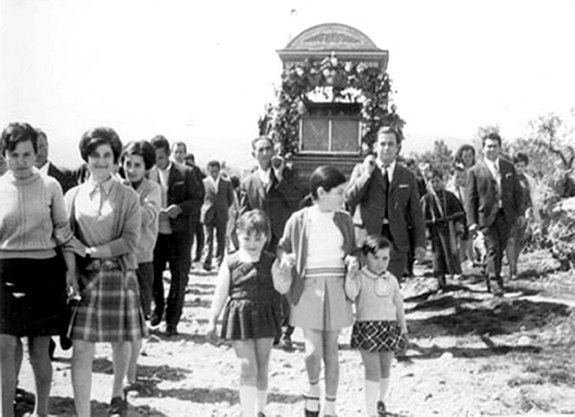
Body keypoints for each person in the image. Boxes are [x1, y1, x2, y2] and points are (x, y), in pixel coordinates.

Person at [65, 127, 145, 417]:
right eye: (94, 155)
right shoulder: (72, 196)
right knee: (82, 348)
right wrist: (72, 275)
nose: (100, 161)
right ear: (86, 158)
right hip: (85, 280)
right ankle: (83, 413)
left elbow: (130, 241)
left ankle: (116, 393)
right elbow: (66, 239)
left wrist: (92, 251)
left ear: (115, 160)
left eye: (106, 155)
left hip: (118, 275)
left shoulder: (127, 197)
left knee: (120, 340)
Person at [0, 122, 75, 417]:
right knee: (5, 348)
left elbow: (62, 231)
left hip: (44, 273)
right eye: (14, 154)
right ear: (4, 154)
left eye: (27, 154)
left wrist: (71, 271)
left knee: (39, 351)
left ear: (36, 153)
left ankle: (42, 411)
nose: (21, 162)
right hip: (4, 272)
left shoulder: (51, 186)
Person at [277, 165, 359, 417]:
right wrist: (286, 260)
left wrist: (352, 262)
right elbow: (282, 247)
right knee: (313, 351)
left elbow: (352, 250)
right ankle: (313, 389)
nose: (343, 198)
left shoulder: (344, 219)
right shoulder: (299, 219)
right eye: (339, 192)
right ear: (322, 192)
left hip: (336, 287)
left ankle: (331, 408)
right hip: (308, 288)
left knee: (331, 350)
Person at [207, 210, 287, 417]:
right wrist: (212, 319)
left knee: (262, 364)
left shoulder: (271, 261)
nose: (252, 243)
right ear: (237, 234)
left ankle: (260, 410)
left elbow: (282, 288)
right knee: (247, 365)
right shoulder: (230, 261)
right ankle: (247, 411)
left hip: (265, 314)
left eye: (258, 239)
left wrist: (285, 271)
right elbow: (221, 292)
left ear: (266, 237)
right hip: (239, 315)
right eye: (247, 238)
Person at [240, 136, 302, 349]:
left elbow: (296, 201)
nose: (266, 153)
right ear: (254, 154)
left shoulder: (287, 175)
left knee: (284, 283)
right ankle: (267, 329)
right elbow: (243, 213)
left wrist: (280, 176)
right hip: (259, 240)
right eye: (261, 150)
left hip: (281, 238)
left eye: (269, 149)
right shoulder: (248, 182)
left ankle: (286, 331)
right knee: (262, 284)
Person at [345, 126, 426, 280]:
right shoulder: (362, 170)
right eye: (382, 144)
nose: (386, 148)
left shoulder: (407, 176)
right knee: (367, 286)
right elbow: (350, 198)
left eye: (390, 144)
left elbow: (416, 213)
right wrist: (367, 175)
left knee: (391, 285)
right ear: (375, 146)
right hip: (368, 238)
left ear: (398, 148)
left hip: (396, 239)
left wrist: (420, 244)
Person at [345, 235, 408, 417]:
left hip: (389, 327)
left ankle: (381, 400)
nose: (380, 263)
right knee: (372, 370)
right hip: (368, 328)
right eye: (375, 258)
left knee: (386, 369)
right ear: (365, 256)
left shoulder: (392, 279)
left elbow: (398, 304)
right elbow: (350, 293)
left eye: (385, 258)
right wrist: (350, 275)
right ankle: (370, 411)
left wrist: (403, 328)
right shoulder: (360, 277)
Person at [149, 135, 204, 335]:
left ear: (168, 155)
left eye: (161, 157)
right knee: (154, 275)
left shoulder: (185, 173)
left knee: (179, 278)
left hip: (179, 235)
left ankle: (172, 321)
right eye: (154, 158)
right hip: (154, 236)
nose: (158, 162)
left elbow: (198, 199)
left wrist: (179, 208)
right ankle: (159, 308)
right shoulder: (147, 174)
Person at [120, 140, 161, 387]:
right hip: (117, 261)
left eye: (137, 165)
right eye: (127, 163)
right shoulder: (115, 185)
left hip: (142, 262)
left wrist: (125, 197)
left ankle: (130, 374)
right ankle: (121, 372)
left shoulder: (152, 189)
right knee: (120, 322)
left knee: (136, 321)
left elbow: (147, 216)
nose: (131, 169)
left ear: (146, 167)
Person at [465, 132, 524, 295]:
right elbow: (470, 199)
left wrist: (520, 213)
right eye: (488, 146)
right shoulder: (475, 171)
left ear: (500, 148)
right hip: (486, 216)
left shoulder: (508, 167)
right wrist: (471, 222)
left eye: (495, 146)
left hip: (506, 214)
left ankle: (491, 274)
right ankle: (494, 280)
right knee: (493, 247)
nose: (491, 149)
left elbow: (517, 191)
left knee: (501, 246)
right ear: (483, 149)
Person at [421, 169, 467, 290]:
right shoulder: (427, 199)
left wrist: (458, 225)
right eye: (432, 182)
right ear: (428, 183)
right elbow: (422, 218)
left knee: (451, 252)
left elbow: (459, 212)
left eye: (437, 181)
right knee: (437, 254)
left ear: (442, 181)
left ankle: (456, 274)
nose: (435, 184)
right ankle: (440, 280)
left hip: (449, 229)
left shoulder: (450, 196)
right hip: (435, 231)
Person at [506, 152, 541, 279]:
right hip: (511, 214)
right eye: (517, 165)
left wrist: (532, 214)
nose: (520, 168)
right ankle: (512, 268)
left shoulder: (528, 181)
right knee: (510, 240)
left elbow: (532, 199)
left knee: (520, 241)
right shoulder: (508, 179)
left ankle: (515, 262)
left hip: (525, 214)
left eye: (522, 166)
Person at [201, 160, 234, 271]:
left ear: (219, 171)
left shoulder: (226, 183)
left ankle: (220, 262)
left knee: (221, 239)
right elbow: (200, 198)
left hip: (221, 214)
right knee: (208, 238)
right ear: (208, 171)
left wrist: (223, 207)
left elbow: (230, 199)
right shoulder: (203, 183)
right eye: (211, 171)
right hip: (208, 214)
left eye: (216, 171)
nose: (214, 174)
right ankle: (207, 262)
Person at [184, 152, 206, 262]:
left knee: (196, 234)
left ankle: (196, 256)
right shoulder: (190, 170)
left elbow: (201, 190)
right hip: (191, 208)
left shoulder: (195, 171)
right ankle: (193, 256)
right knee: (194, 235)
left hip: (195, 208)